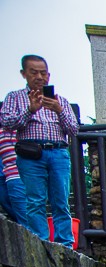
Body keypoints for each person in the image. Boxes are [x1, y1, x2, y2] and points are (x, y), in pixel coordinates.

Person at [1, 55, 78, 247]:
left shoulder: (60, 100)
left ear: (49, 75)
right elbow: (7, 122)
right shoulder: (15, 97)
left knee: (61, 201)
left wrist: (59, 110)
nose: (39, 76)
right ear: (24, 74)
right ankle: (40, 244)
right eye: (34, 72)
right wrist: (30, 110)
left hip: (58, 152)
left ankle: (65, 245)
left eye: (43, 73)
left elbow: (74, 130)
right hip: (31, 153)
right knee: (35, 201)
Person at [0, 106, 27, 228]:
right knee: (6, 200)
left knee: (25, 211)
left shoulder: (26, 130)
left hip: (19, 173)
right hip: (8, 172)